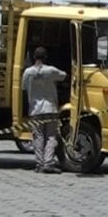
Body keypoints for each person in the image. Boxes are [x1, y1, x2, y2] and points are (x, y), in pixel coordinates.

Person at [21, 46, 67, 174]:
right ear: (46, 57)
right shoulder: (51, 70)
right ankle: (48, 163)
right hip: (50, 109)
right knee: (51, 137)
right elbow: (64, 75)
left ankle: (39, 164)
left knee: (38, 137)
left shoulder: (28, 72)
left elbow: (23, 87)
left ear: (34, 57)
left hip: (35, 110)